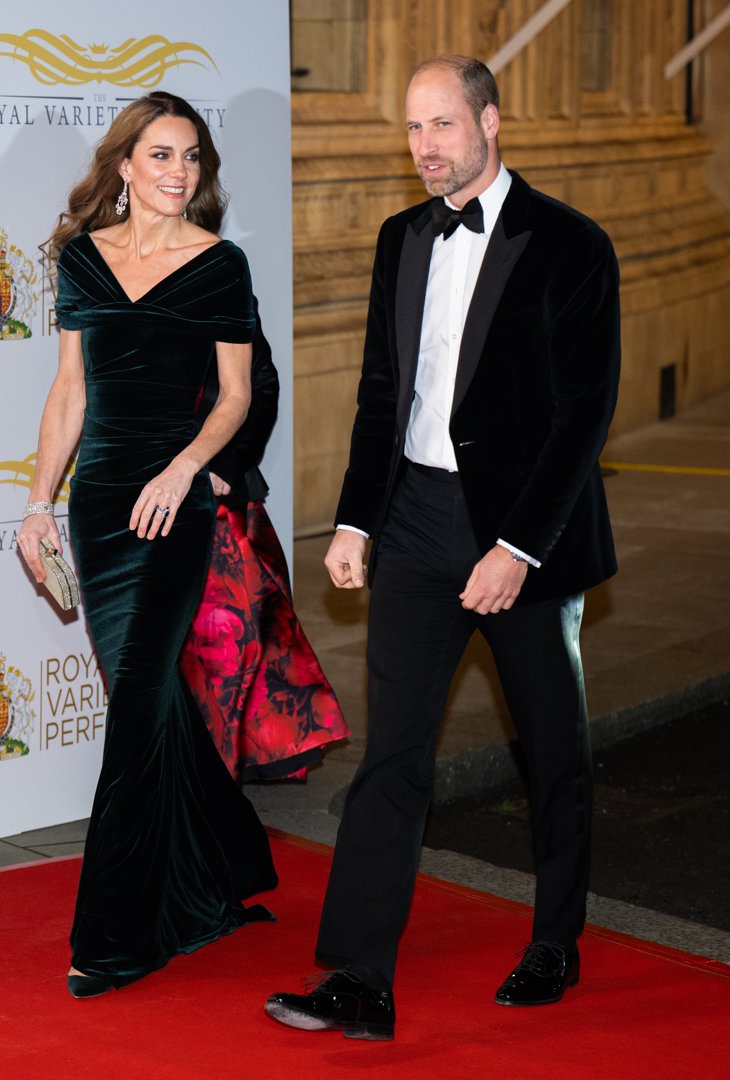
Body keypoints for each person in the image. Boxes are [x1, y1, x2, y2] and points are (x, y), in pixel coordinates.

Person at [265, 54, 620, 1040]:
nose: (425, 148)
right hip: (417, 521)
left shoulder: (569, 245)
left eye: (442, 127)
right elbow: (386, 391)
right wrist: (354, 517)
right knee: (393, 755)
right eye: (413, 130)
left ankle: (554, 939)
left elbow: (582, 417)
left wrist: (517, 547)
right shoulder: (399, 238)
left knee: (552, 751)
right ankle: (359, 978)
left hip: (522, 535)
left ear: (490, 123)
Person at [17, 91, 277, 1000]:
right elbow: (68, 395)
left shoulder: (219, 264)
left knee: (132, 705)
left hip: (172, 510)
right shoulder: (83, 260)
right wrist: (39, 502)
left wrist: (187, 468)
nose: (179, 172)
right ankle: (218, 865)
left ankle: (117, 935)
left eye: (192, 158)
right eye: (161, 155)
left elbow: (238, 397)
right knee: (155, 698)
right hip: (99, 510)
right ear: (124, 164)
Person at [180, 303, 350, 781]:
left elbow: (262, 387)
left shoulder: (226, 279)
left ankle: (236, 757)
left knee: (239, 633)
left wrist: (225, 469)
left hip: (219, 493)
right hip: (144, 487)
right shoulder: (119, 271)